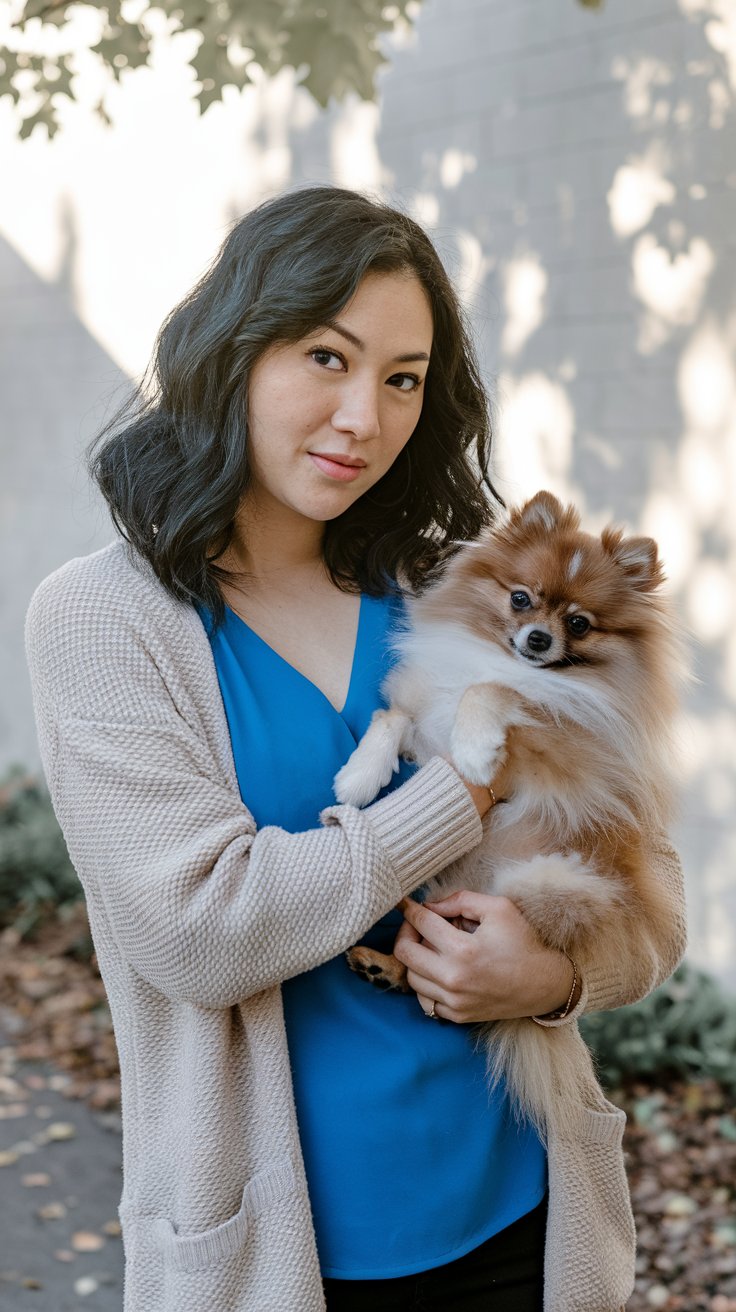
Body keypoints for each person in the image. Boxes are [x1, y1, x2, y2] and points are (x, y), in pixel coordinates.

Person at [25, 186, 686, 1312]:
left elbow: (647, 882)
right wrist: (465, 784)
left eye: (401, 378)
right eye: (326, 358)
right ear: (233, 348)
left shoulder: (452, 592)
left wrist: (560, 970)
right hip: (283, 1259)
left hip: (524, 1220)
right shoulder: (101, 617)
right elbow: (201, 932)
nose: (363, 419)